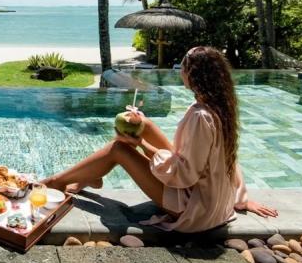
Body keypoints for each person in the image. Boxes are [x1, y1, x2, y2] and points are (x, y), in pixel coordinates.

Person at [44, 46, 278, 233]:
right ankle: (90, 175)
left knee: (119, 149)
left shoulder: (201, 117)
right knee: (143, 124)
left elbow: (186, 174)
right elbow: (229, 162)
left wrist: (141, 146)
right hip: (213, 202)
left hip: (194, 209)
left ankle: (56, 182)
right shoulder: (220, 108)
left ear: (194, 75)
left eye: (184, 68)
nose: (181, 72)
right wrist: (242, 199)